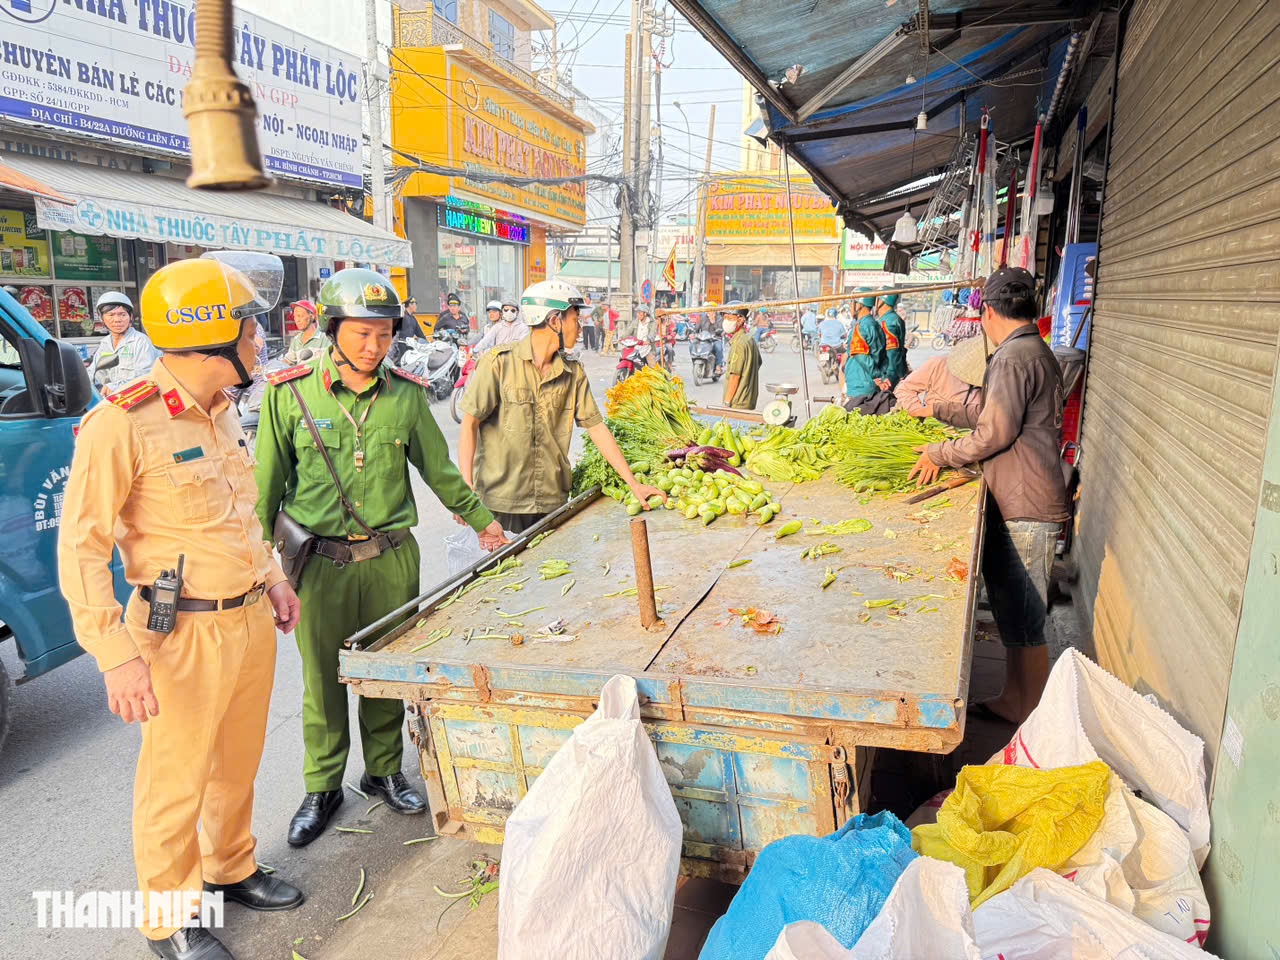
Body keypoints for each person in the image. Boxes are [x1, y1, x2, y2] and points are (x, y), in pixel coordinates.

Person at [58, 254, 305, 960]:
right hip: (179, 629)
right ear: (212, 337)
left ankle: (230, 867)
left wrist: (273, 577)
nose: (259, 340)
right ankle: (168, 918)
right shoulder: (122, 423)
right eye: (249, 329)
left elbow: (239, 515)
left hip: (248, 615)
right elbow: (81, 548)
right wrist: (116, 655)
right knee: (175, 779)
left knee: (236, 761)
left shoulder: (222, 409)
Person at [254, 269, 507, 848]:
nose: (374, 346)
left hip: (392, 560)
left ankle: (384, 770)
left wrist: (483, 521)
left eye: (384, 334)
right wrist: (261, 571)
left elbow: (440, 471)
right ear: (332, 330)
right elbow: (264, 490)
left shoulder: (406, 394)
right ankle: (323, 786)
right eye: (362, 334)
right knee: (322, 679)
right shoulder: (290, 393)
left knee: (387, 672)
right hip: (319, 565)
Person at [909, 267, 1069, 725]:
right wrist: (939, 409)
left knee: (1027, 619)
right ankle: (1014, 698)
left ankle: (1033, 715)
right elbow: (991, 410)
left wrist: (940, 453)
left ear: (989, 312)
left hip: (1026, 503)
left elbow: (995, 431)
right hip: (1024, 495)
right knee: (1015, 614)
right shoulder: (1032, 350)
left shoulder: (1014, 357)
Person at [459, 280, 665, 533]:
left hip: (550, 500)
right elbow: (470, 424)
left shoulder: (573, 372)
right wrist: (466, 489)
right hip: (499, 501)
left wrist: (634, 484)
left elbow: (596, 428)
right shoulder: (498, 364)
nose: (579, 328)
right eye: (575, 319)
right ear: (555, 321)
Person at [894, 334, 985, 426]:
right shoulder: (940, 364)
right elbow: (905, 388)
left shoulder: (990, 382)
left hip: (971, 430)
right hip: (935, 426)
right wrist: (918, 411)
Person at [86, 292, 160, 393]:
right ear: (101, 318)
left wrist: (115, 387)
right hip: (110, 399)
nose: (117, 320)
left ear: (131, 316)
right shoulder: (105, 344)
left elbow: (146, 376)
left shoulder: (141, 342)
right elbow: (93, 373)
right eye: (111, 315)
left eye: (122, 314)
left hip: (137, 399)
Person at [841, 290, 891, 414]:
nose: (850, 306)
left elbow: (860, 355)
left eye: (852, 302)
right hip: (871, 385)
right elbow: (883, 357)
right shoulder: (876, 325)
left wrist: (878, 376)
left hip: (860, 385)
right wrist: (883, 376)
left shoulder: (861, 326)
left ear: (859, 304)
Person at [721, 302, 761, 411]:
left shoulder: (739, 344)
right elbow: (758, 363)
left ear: (741, 320)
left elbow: (735, 376)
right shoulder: (749, 339)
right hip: (748, 400)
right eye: (725, 318)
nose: (726, 321)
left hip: (737, 402)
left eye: (730, 318)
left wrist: (726, 403)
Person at [282, 299, 329, 365]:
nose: (297, 320)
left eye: (300, 316)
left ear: (312, 317)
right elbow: (288, 361)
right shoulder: (296, 340)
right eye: (295, 317)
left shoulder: (324, 338)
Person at [878, 292, 909, 386]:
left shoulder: (888, 322)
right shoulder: (892, 318)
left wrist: (899, 373)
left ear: (881, 301)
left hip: (888, 372)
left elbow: (892, 352)